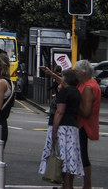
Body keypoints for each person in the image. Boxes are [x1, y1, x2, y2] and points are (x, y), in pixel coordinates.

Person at [39, 68, 84, 189]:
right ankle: (68, 185)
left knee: (61, 159)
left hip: (63, 128)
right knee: (70, 159)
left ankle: (66, 186)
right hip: (73, 128)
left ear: (66, 79)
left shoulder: (64, 92)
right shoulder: (76, 92)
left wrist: (54, 131)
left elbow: (59, 112)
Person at [75, 60, 101, 189]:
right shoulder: (88, 83)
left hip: (83, 124)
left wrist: (74, 103)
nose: (75, 73)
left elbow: (85, 111)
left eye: (77, 71)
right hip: (83, 124)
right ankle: (86, 184)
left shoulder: (88, 87)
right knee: (81, 154)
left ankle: (87, 185)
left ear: (83, 73)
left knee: (82, 155)